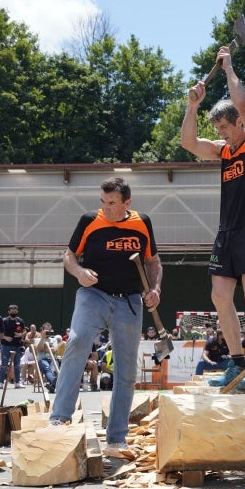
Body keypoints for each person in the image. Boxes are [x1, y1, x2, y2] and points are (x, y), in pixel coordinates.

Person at [50, 177, 163, 459]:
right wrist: (79, 272)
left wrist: (155, 289)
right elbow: (69, 256)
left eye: (112, 203)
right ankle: (59, 420)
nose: (106, 208)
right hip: (94, 294)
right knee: (77, 342)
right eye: (103, 201)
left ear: (127, 203)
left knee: (126, 371)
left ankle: (116, 439)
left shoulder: (142, 222)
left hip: (130, 301)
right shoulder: (90, 220)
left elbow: (153, 261)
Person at [181, 45, 245, 391]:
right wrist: (193, 106)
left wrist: (229, 67)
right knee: (220, 296)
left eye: (225, 126)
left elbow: (244, 105)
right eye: (217, 127)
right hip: (226, 232)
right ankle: (236, 363)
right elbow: (189, 142)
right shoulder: (222, 151)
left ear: (240, 124)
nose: (221, 132)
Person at [0, 304, 26, 388]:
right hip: (6, 346)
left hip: (17, 346)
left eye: (15, 310)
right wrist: (5, 337)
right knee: (4, 365)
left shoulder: (20, 321)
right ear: (8, 311)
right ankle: (1, 383)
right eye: (11, 310)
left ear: (17, 311)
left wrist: (21, 334)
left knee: (17, 365)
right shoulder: (4, 321)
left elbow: (24, 331)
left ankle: (17, 383)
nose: (13, 311)